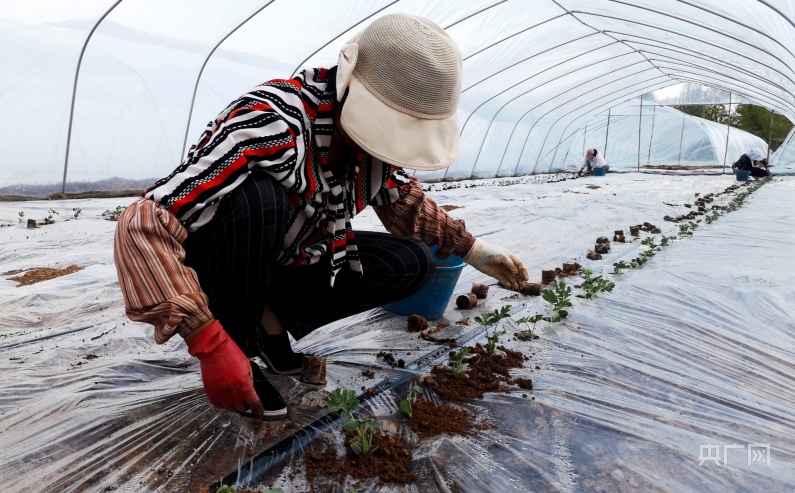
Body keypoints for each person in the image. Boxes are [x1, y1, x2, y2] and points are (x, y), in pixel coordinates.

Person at [113, 14, 529, 419]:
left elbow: (406, 202)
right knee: (261, 198)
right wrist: (209, 342)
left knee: (410, 262)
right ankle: (236, 342)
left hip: (283, 260)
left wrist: (473, 250)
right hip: (217, 259)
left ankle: (267, 325)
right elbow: (142, 223)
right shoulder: (274, 120)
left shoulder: (374, 156)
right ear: (348, 83)